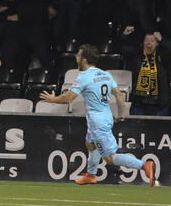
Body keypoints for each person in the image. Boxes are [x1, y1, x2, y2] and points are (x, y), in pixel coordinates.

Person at [39, 44, 156, 187]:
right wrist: (120, 114)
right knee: (90, 144)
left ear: (84, 60)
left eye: (78, 56)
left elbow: (69, 98)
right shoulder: (104, 74)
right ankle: (91, 175)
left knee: (110, 158)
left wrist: (53, 99)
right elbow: (119, 95)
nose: (76, 58)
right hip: (105, 115)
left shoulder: (83, 77)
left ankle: (144, 165)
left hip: (97, 122)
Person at [126, 32, 171, 116]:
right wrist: (125, 35)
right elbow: (123, 48)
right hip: (139, 104)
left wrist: (162, 40)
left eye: (152, 41)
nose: (148, 43)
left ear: (157, 44)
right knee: (136, 129)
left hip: (159, 105)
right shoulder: (137, 57)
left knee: (158, 129)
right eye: (146, 40)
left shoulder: (163, 58)